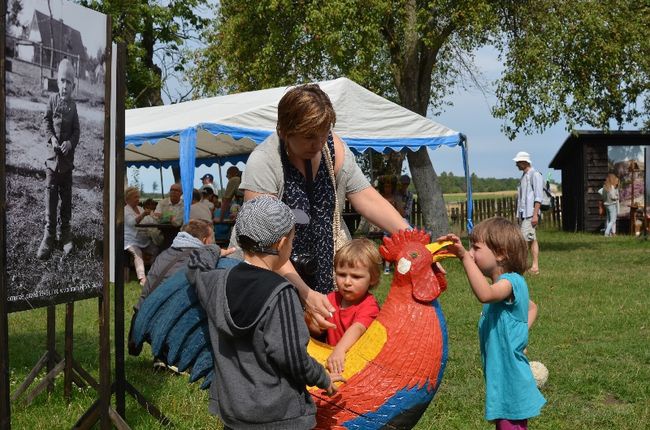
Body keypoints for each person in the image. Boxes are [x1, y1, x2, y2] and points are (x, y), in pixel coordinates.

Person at [238, 83, 409, 330]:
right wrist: (305, 293)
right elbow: (263, 246)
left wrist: (412, 238)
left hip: (325, 267)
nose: (318, 142)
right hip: (274, 272)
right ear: (285, 130)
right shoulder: (264, 162)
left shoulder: (334, 149)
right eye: (309, 136)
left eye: (324, 132)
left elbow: (367, 198)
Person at [189, 195, 343, 428]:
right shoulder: (281, 294)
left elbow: (194, 266)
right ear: (281, 244)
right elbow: (293, 358)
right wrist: (322, 378)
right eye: (292, 239)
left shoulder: (216, 282)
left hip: (234, 412)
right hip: (280, 417)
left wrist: (213, 251)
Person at [438, 217, 545, 429]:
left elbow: (485, 295)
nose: (470, 253)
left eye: (475, 248)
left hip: (511, 380)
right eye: (469, 249)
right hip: (502, 377)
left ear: (501, 253)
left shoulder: (510, 283)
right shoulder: (504, 287)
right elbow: (532, 307)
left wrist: (464, 260)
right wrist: (519, 338)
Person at [307, 239, 381, 375]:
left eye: (356, 276)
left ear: (373, 278)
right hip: (332, 359)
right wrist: (312, 323)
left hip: (359, 364)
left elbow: (358, 327)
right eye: (341, 274)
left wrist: (340, 349)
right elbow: (316, 330)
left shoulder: (370, 305)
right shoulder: (331, 298)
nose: (347, 282)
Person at [37, 58, 80, 259]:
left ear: (73, 85)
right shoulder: (52, 100)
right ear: (57, 81)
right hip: (52, 164)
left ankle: (65, 235)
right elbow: (46, 121)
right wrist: (52, 138)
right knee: (51, 198)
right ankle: (48, 236)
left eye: (68, 82)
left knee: (66, 199)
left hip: (67, 164)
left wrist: (70, 143)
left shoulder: (74, 107)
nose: (64, 86)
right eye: (62, 81)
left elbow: (77, 131)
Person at [513, 151, 543, 274]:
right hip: (523, 214)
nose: (516, 165)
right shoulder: (524, 176)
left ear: (525, 162)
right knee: (532, 239)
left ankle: (522, 266)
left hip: (530, 214)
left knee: (523, 240)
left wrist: (535, 214)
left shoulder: (535, 175)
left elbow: (538, 197)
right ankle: (534, 267)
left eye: (518, 162)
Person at [124, 186, 159, 286]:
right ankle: (142, 278)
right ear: (128, 199)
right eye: (135, 197)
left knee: (156, 249)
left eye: (138, 197)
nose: (138, 199)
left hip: (143, 239)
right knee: (137, 253)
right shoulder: (125, 210)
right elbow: (132, 223)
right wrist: (143, 215)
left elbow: (148, 221)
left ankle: (152, 274)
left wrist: (153, 216)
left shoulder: (139, 208)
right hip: (131, 240)